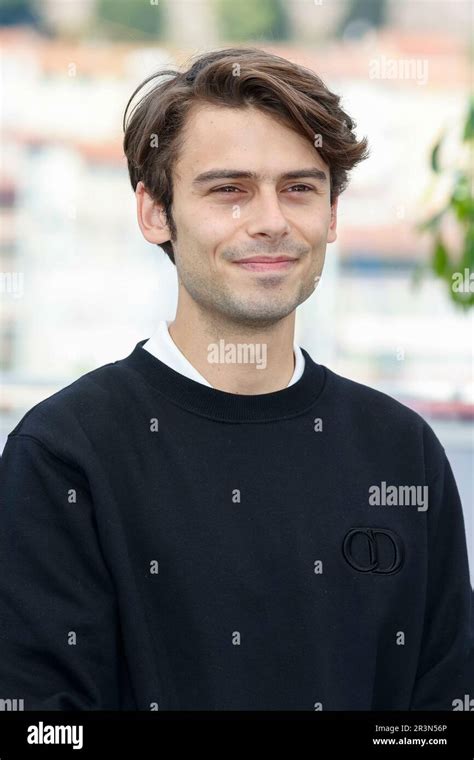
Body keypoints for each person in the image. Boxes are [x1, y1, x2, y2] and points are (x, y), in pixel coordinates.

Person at [0, 47, 472, 711]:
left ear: (332, 216)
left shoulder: (403, 452)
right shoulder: (63, 456)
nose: (272, 220)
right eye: (229, 190)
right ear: (154, 212)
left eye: (300, 188)